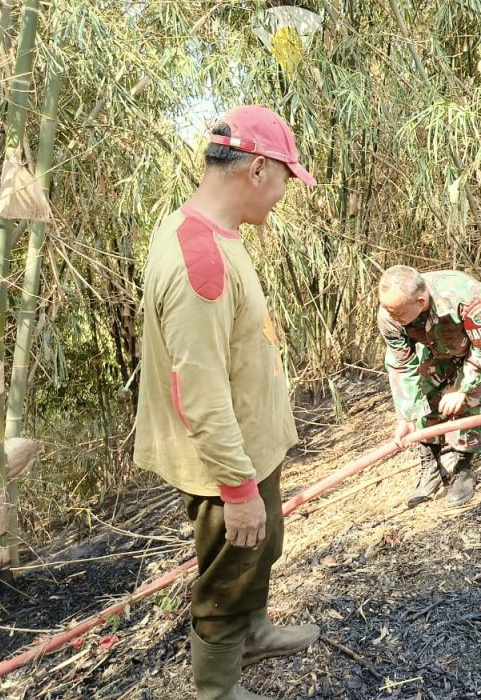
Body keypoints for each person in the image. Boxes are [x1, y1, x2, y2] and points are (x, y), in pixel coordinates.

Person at [135, 105, 320, 700]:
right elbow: (200, 390)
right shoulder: (201, 261)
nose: (283, 196)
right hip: (225, 458)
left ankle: (254, 632)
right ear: (258, 170)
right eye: (286, 180)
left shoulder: (212, 231)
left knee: (263, 547)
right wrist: (237, 491)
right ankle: (217, 687)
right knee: (228, 566)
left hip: (250, 443)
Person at [377, 266, 481, 508]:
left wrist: (463, 389)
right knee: (427, 392)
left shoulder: (466, 297)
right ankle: (432, 468)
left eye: (397, 312)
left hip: (474, 339)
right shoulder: (389, 315)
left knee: (469, 401)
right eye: (387, 309)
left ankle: (463, 468)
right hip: (430, 341)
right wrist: (406, 416)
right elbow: (402, 365)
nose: (390, 316)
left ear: (421, 301)